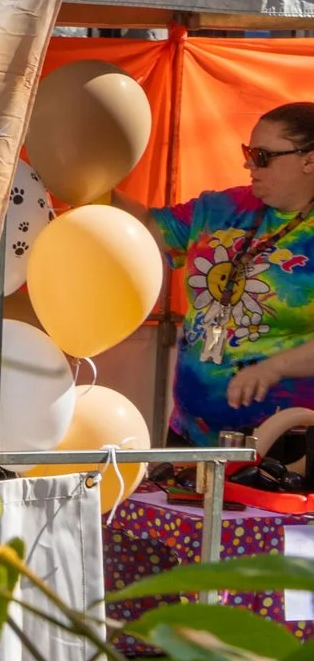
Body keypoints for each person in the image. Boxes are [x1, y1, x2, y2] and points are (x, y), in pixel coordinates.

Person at [119, 103, 314, 449]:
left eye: (262, 155)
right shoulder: (219, 209)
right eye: (248, 152)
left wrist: (275, 368)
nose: (248, 164)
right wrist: (86, 181)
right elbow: (147, 228)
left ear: (308, 160)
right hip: (190, 433)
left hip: (283, 446)